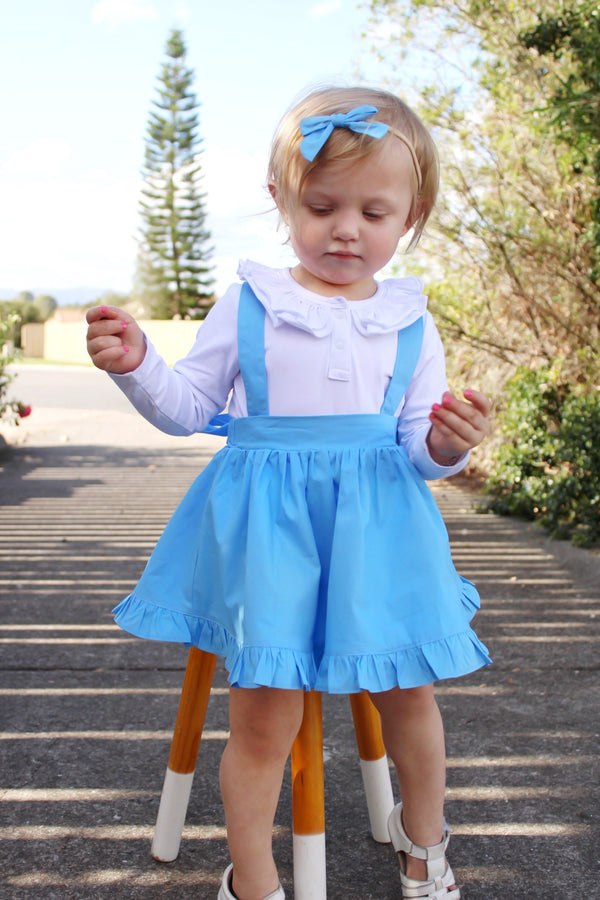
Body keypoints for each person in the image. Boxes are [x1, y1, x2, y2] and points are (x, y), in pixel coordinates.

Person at [86, 85, 492, 900]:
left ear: (410, 217)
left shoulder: (412, 322)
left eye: (375, 214)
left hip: (380, 534)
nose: (347, 228)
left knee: (409, 691)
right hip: (270, 535)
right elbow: (190, 408)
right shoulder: (250, 303)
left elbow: (417, 447)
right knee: (265, 712)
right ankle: (255, 876)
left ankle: (425, 841)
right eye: (323, 204)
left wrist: (446, 445)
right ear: (281, 200)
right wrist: (137, 365)